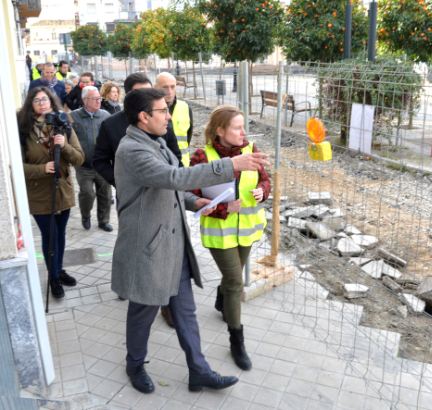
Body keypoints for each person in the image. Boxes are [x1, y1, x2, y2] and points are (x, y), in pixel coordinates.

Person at [112, 88, 269, 394]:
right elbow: (172, 177)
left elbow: (173, 187)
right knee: (143, 311)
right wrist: (231, 166)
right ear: (144, 117)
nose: (169, 115)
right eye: (162, 111)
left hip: (173, 243)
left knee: (185, 311)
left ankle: (199, 370)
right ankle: (134, 364)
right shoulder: (133, 150)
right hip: (148, 248)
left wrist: (196, 203)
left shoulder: (156, 142)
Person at [93, 72, 178, 325]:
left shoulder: (162, 120)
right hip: (132, 197)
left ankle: (166, 303)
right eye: (141, 92)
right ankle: (129, 283)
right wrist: (123, 181)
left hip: (163, 192)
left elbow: (174, 153)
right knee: (136, 243)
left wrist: (177, 181)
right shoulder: (112, 125)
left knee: (164, 248)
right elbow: (99, 160)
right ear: (130, 97)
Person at [190, 105, 271, 371]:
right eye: (237, 127)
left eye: (243, 126)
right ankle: (237, 341)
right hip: (219, 232)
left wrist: (262, 191)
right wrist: (224, 208)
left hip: (247, 229)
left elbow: (265, 180)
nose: (243, 132)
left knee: (231, 279)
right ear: (220, 130)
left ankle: (221, 298)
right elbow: (191, 196)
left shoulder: (252, 149)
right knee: (236, 281)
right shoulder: (203, 156)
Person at [17, 86, 84, 298]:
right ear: (30, 104)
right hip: (39, 194)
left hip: (62, 190)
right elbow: (17, 167)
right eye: (36, 100)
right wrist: (41, 169)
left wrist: (63, 145)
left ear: (51, 101)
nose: (41, 103)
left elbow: (79, 158)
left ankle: (59, 269)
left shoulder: (63, 124)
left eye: (45, 99)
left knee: (60, 234)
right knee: (50, 235)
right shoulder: (23, 130)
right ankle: (53, 277)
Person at [70, 86, 112, 232]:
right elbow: (68, 138)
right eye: (95, 99)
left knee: (105, 194)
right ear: (85, 100)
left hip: (102, 164)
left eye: (99, 98)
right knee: (87, 193)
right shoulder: (73, 116)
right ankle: (85, 215)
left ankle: (104, 220)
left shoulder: (105, 115)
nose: (98, 101)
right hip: (83, 165)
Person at [155, 72, 193, 166]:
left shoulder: (185, 107)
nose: (169, 91)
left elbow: (188, 137)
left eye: (173, 87)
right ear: (155, 87)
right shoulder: (150, 108)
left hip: (182, 166)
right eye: (165, 87)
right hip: (160, 166)